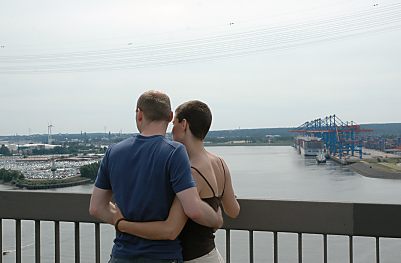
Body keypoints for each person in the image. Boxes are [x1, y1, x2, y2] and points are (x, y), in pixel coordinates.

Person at [89, 91, 223, 263]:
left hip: (122, 255)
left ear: (139, 114)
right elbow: (194, 209)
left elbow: (96, 208)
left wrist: (120, 222)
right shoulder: (174, 152)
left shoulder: (113, 152)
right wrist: (216, 219)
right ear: (170, 116)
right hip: (162, 256)